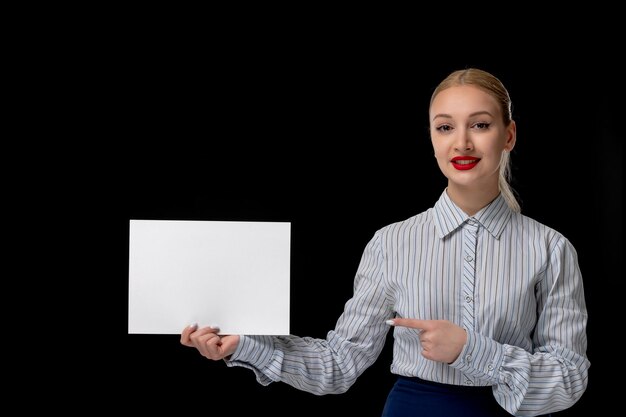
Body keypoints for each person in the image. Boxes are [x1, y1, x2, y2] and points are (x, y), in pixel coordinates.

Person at [180, 68, 590, 416]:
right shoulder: (391, 242)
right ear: (431, 137)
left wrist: (472, 350)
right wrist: (245, 346)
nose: (462, 142)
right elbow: (340, 364)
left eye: (480, 125)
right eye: (445, 126)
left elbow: (570, 379)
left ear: (509, 135)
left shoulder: (551, 249)